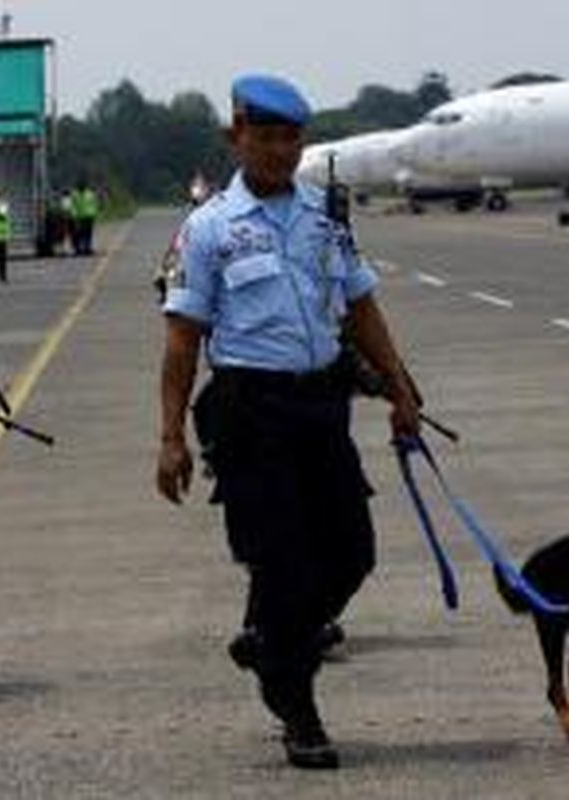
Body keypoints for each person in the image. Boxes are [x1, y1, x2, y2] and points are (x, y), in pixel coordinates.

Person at [156, 74, 420, 770]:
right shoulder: (208, 228)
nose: (280, 151)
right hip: (252, 415)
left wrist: (399, 388)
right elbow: (183, 337)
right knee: (283, 564)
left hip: (321, 407)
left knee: (351, 552)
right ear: (235, 138)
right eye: (266, 137)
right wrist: (170, 437)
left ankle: (272, 640)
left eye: (291, 139)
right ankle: (297, 710)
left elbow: (361, 308)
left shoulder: (325, 217)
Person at [68, 178, 100, 256]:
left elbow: (95, 203)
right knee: (81, 233)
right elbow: (73, 206)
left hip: (87, 216)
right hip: (81, 217)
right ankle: (82, 249)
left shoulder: (88, 194)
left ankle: (86, 248)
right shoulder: (76, 194)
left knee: (87, 233)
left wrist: (95, 213)